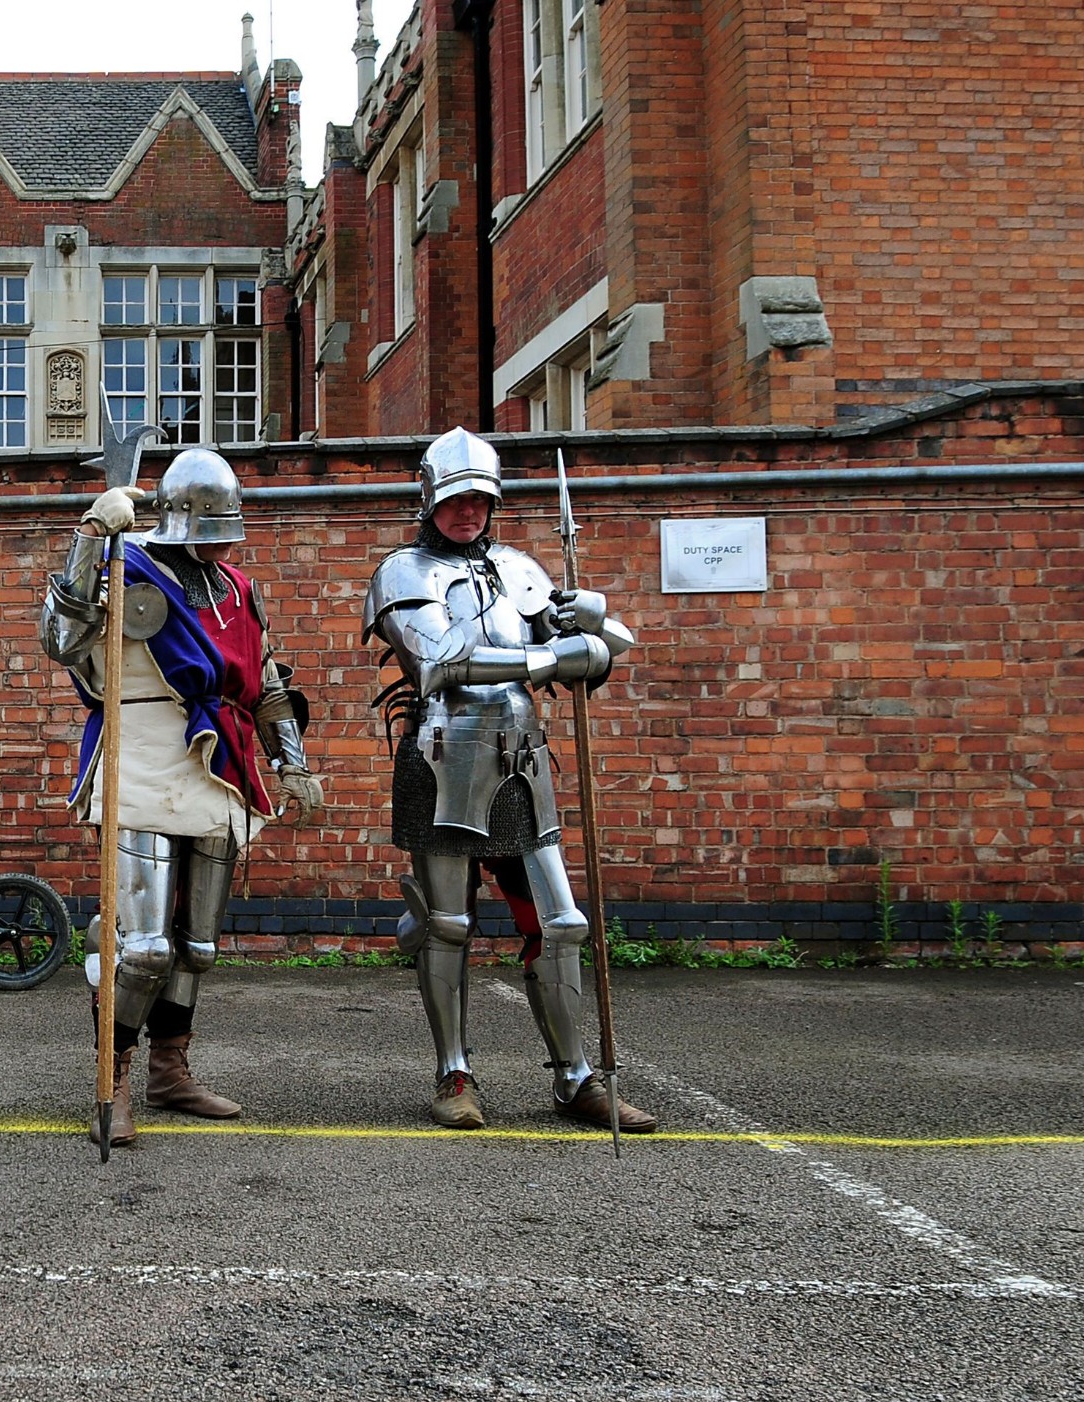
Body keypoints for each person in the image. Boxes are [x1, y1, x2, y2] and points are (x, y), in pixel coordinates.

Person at [364, 427, 656, 1134]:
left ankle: (577, 1077)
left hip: (523, 755)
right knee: (449, 926)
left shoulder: (520, 567)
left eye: (480, 500)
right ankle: (453, 1073)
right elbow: (443, 660)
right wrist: (555, 657)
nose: (468, 511)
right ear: (430, 498)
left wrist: (587, 630)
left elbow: (604, 647)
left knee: (562, 923)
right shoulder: (404, 572)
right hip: (443, 757)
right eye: (456, 499)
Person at [40, 447, 324, 1144]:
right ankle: (113, 1082)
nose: (228, 538)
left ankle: (171, 1071)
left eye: (233, 526)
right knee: (143, 949)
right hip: (140, 755)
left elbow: (267, 680)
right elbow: (59, 638)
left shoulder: (238, 589)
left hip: (219, 762)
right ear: (186, 521)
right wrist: (87, 537)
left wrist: (292, 760)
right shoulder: (125, 565)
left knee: (196, 947)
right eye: (217, 525)